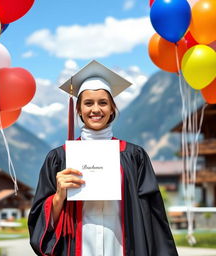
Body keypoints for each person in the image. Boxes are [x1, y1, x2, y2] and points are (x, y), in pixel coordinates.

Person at [28, 60, 179, 256]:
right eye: (88, 103)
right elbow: (39, 219)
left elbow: (153, 213)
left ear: (112, 108)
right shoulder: (59, 158)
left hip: (122, 246)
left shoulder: (134, 156)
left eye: (103, 102)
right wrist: (59, 196)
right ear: (79, 109)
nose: (96, 109)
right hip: (78, 247)